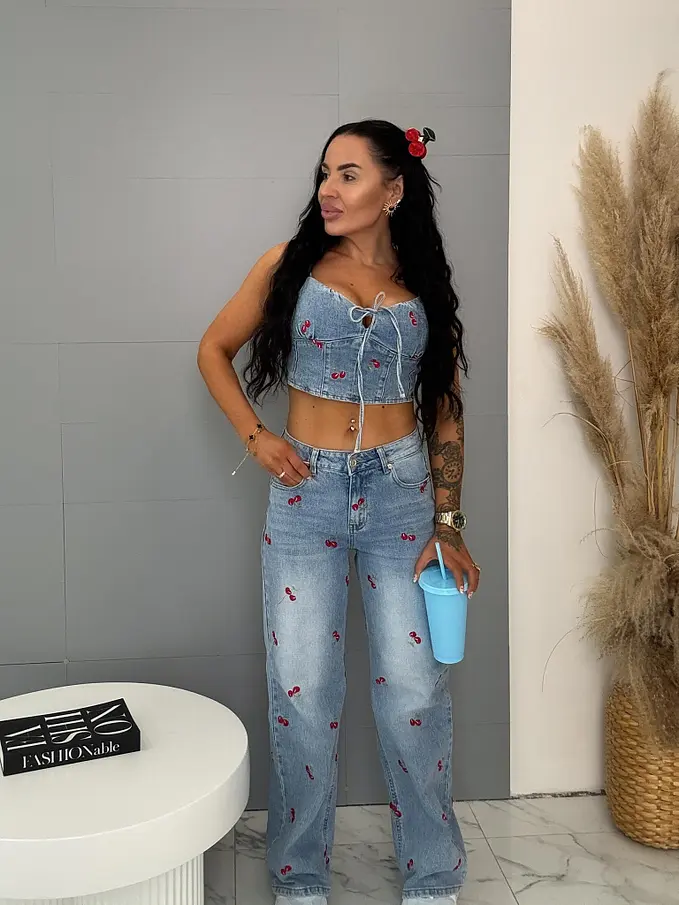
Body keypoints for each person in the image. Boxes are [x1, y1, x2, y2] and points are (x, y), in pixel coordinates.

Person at [197, 119, 480, 905]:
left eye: (348, 174)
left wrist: (448, 523)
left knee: (415, 694)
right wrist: (256, 436)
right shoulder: (286, 266)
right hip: (306, 495)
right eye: (325, 172)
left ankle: (433, 876)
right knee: (300, 693)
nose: (328, 188)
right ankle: (299, 880)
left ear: (392, 189)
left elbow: (445, 412)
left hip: (401, 495)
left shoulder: (424, 286)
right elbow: (212, 350)